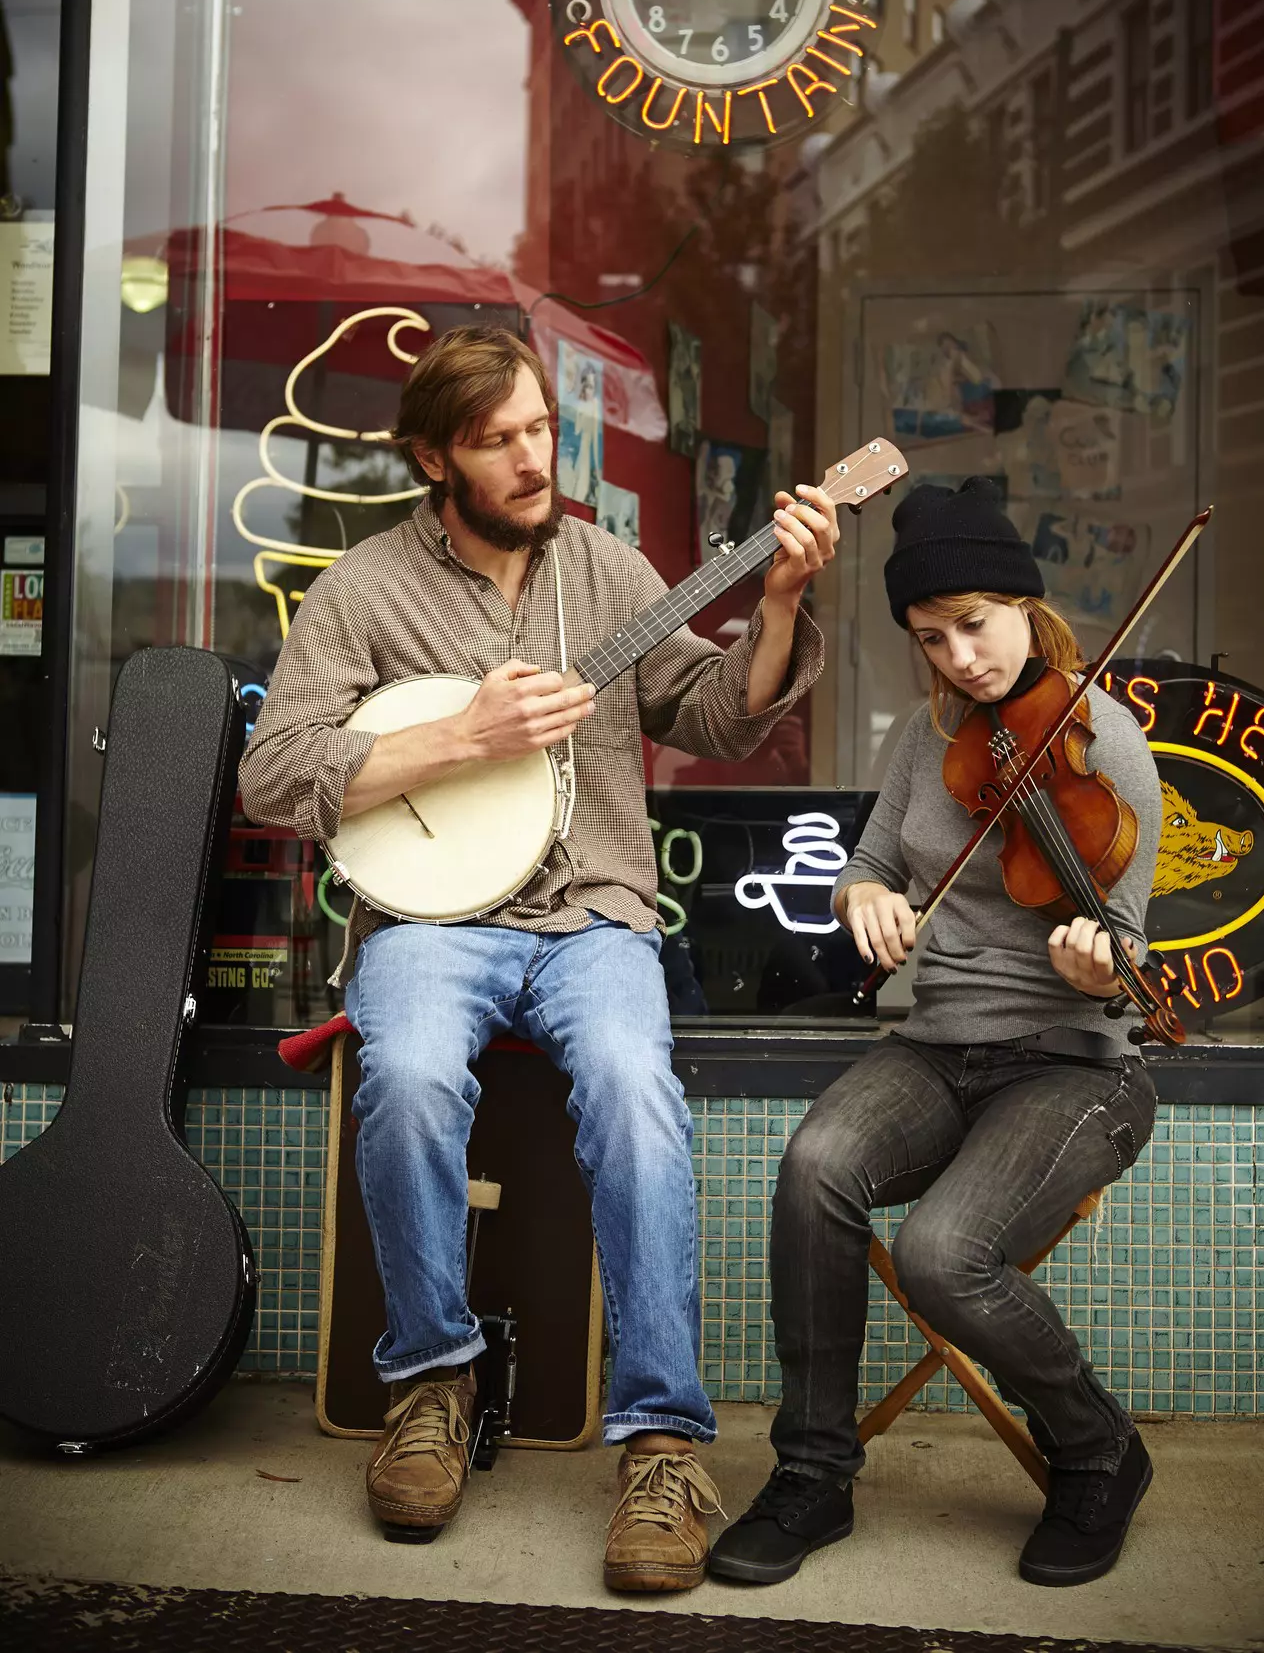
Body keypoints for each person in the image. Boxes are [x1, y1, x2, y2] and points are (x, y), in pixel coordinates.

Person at [238, 327, 838, 1590]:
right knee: (402, 1077)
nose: (531, 459)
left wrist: (777, 600)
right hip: (427, 924)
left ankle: (664, 1445)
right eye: (497, 440)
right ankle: (430, 1378)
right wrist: (458, 734)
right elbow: (276, 773)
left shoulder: (608, 571)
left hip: (594, 917)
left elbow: (721, 714)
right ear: (430, 458)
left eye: (539, 431)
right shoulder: (362, 591)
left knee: (634, 1092)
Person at [710, 477, 1160, 1592]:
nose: (959, 656)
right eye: (931, 637)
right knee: (814, 1164)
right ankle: (813, 1473)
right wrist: (859, 901)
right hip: (933, 1048)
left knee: (938, 1253)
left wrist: (1090, 965)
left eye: (974, 624)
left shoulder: (1105, 742)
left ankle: (1097, 1448)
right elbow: (868, 865)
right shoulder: (928, 736)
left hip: (1072, 1065)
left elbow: (1130, 960)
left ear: (1021, 602)